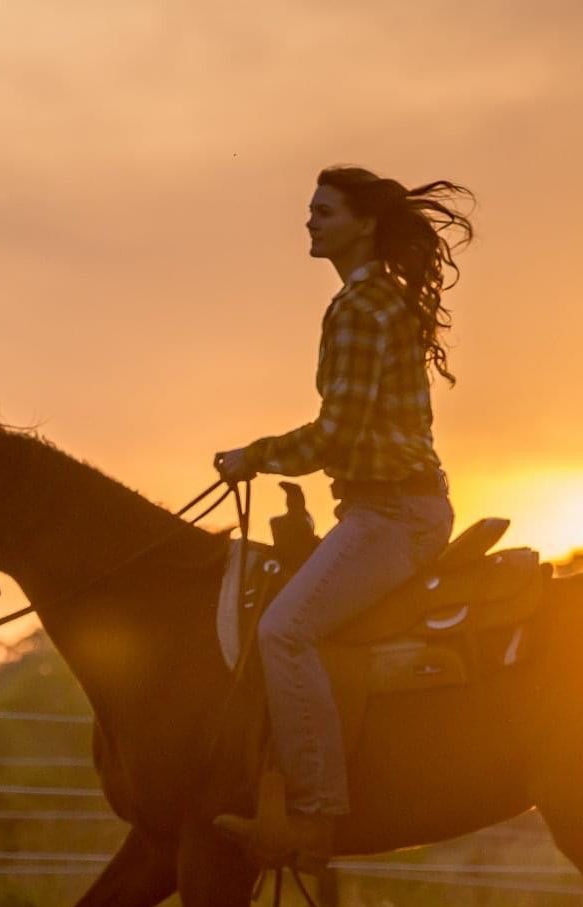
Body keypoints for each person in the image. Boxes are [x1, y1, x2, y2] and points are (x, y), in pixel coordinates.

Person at [211, 165, 477, 866]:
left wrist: (254, 456)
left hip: (389, 515)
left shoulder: (359, 307)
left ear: (362, 224)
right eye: (310, 210)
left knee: (284, 629)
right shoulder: (383, 300)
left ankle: (315, 813)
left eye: (324, 211)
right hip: (390, 506)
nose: (310, 221)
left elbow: (339, 432)